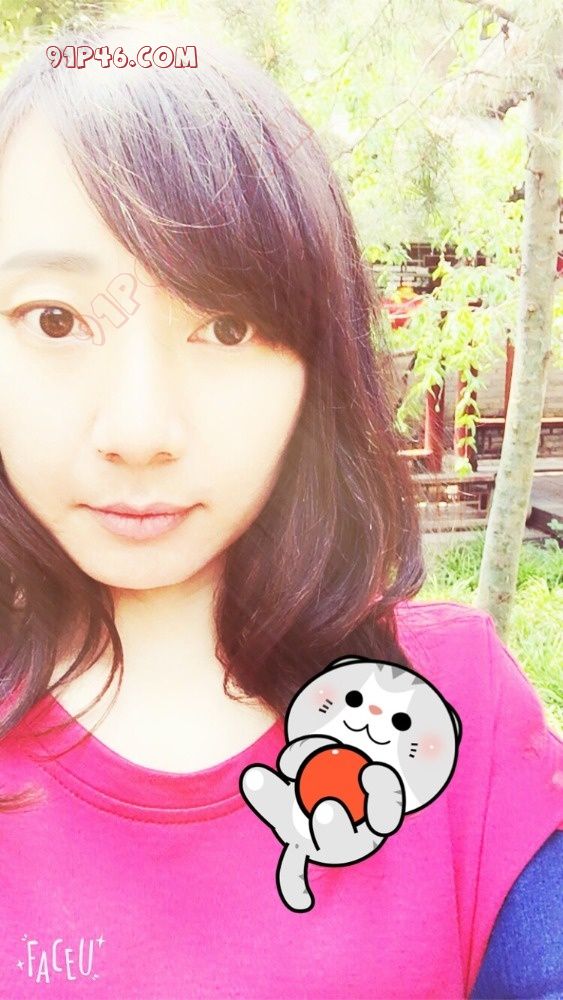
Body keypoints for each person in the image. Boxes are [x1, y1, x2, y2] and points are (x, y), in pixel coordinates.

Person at [0, 12, 560, 999]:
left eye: (225, 326)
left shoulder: (441, 707)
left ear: (317, 365)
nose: (139, 429)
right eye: (53, 319)